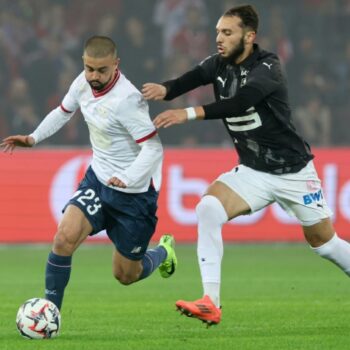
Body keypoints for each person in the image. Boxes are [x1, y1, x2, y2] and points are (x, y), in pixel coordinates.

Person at [142, 5, 350, 326]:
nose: (219, 39)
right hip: (253, 171)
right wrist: (167, 89)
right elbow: (191, 78)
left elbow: (241, 102)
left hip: (292, 172)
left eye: (227, 33)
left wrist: (188, 113)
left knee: (325, 244)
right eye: (217, 33)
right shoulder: (218, 65)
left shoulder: (269, 66)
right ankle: (211, 301)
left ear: (249, 36)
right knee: (208, 208)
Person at [1, 35, 177, 311]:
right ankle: (50, 314)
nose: (94, 76)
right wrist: (33, 138)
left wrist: (128, 178)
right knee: (63, 238)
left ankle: (163, 252)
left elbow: (154, 150)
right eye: (89, 68)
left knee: (125, 275)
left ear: (116, 64)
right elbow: (63, 112)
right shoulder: (82, 83)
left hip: (135, 194)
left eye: (102, 70)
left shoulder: (128, 100)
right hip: (98, 180)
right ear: (84, 63)